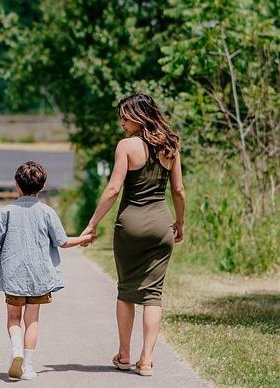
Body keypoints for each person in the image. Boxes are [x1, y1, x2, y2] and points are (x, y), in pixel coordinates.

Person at [80, 93, 185, 376]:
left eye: (125, 116)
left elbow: (113, 189)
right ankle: (147, 360)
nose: (121, 122)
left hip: (130, 225)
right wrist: (180, 223)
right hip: (161, 225)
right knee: (153, 294)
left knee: (126, 290)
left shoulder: (126, 146)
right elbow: (178, 191)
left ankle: (124, 354)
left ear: (139, 115)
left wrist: (92, 223)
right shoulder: (171, 146)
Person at [0, 161, 94, 380]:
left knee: (14, 318)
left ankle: (16, 351)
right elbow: (62, 242)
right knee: (32, 321)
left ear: (16, 185)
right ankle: (28, 367)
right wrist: (84, 238)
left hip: (14, 277)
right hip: (39, 277)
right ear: (42, 186)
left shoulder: (6, 212)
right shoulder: (47, 212)